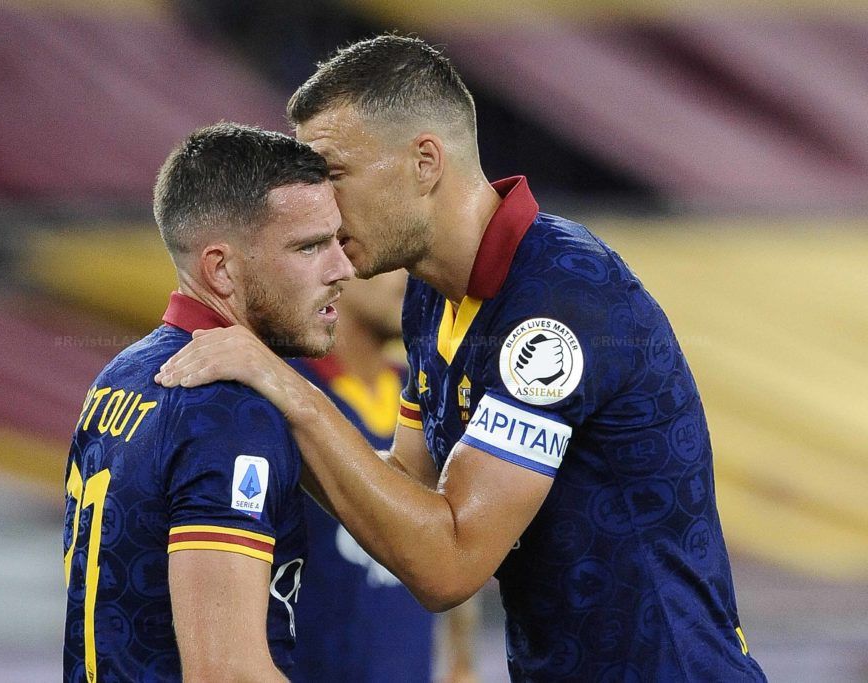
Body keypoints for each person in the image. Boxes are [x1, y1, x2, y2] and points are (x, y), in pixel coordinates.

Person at [155, 36, 767, 681]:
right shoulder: (430, 298)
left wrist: (287, 389)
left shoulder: (558, 307)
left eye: (332, 174)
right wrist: (259, 424)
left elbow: (448, 565)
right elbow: (410, 499)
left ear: (425, 163)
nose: (322, 210)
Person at [63, 122, 352, 681]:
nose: (342, 268)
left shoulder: (120, 376)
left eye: (337, 240)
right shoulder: (229, 412)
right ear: (220, 269)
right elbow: (227, 673)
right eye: (310, 246)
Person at [288, 270, 479, 683]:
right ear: (335, 264)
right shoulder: (285, 394)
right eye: (393, 263)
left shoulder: (431, 394)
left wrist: (461, 662)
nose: (413, 280)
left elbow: (456, 537)